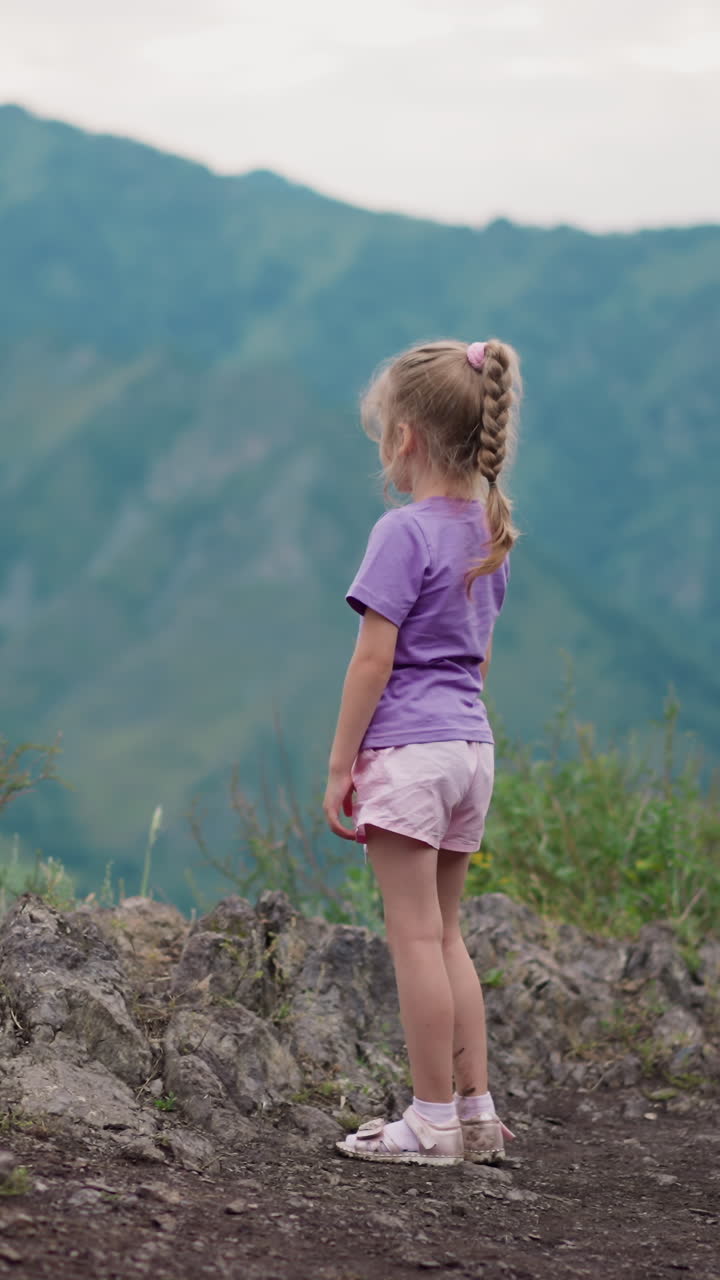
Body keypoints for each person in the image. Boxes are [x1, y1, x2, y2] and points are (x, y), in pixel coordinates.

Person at [323, 338, 520, 1167]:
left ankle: (431, 1120)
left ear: (405, 437)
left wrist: (342, 767)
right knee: (447, 936)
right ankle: (475, 1114)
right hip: (471, 750)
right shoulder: (488, 531)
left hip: (408, 752)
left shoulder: (401, 532)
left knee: (412, 939)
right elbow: (478, 660)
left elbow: (373, 661)